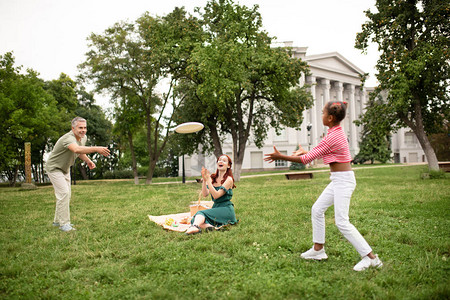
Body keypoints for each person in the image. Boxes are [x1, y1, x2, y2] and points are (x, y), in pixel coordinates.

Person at [264, 101, 382, 271]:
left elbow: (306, 160)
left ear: (330, 117)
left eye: (322, 113)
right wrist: (307, 152)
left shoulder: (334, 135)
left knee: (342, 222)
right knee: (317, 209)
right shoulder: (335, 132)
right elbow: (322, 152)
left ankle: (371, 258)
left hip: (343, 181)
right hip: (338, 179)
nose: (321, 116)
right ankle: (318, 250)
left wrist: (280, 156)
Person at [45, 117, 110, 232]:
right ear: (73, 128)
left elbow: (80, 151)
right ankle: (64, 224)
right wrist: (96, 148)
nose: (83, 130)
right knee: (64, 193)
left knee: (66, 194)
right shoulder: (68, 138)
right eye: (80, 128)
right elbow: (76, 149)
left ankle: (57, 221)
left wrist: (88, 161)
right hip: (54, 168)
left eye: (85, 128)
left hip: (65, 168)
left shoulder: (83, 138)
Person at [186, 154, 238, 235]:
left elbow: (216, 195)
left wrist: (209, 181)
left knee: (200, 214)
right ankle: (210, 227)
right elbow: (205, 194)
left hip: (226, 209)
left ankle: (195, 227)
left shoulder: (229, 179)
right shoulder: (213, 177)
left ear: (228, 166)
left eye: (224, 161)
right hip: (216, 208)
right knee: (195, 218)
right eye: (219, 160)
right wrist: (204, 180)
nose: (221, 161)